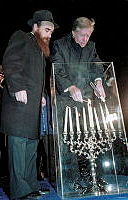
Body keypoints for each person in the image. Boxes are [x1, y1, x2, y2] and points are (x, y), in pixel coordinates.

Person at [0, 10, 58, 200]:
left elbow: (35, 77)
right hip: (18, 105)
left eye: (51, 32)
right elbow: (11, 61)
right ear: (35, 27)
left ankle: (30, 185)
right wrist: (17, 86)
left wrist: (42, 96)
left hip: (32, 106)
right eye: (47, 30)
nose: (49, 35)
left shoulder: (39, 47)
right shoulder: (21, 37)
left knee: (30, 146)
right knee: (19, 146)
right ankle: (20, 191)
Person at [50, 17, 106, 194]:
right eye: (82, 36)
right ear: (73, 32)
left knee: (89, 139)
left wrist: (98, 82)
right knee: (69, 142)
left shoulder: (91, 47)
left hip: (86, 101)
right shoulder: (59, 45)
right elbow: (57, 70)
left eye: (88, 36)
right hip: (66, 101)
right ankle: (71, 180)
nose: (85, 40)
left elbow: (96, 66)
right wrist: (70, 86)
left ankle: (91, 175)